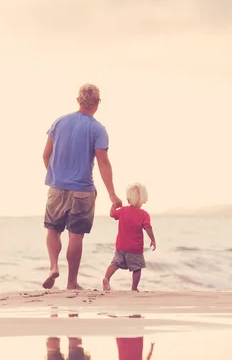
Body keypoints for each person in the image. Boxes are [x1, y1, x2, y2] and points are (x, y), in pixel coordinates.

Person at [42, 83, 122, 290]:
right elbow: (103, 162)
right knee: (75, 235)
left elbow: (46, 154)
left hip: (57, 187)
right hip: (83, 190)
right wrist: (112, 195)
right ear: (97, 104)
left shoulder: (59, 122)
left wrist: (55, 176)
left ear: (78, 100)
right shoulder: (97, 129)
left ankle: (52, 267)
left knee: (53, 229)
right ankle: (72, 283)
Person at [103, 183, 156, 292]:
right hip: (135, 248)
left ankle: (106, 278)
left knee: (115, 263)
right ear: (143, 200)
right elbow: (148, 228)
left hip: (121, 246)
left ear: (128, 199)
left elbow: (112, 214)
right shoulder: (144, 214)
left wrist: (114, 205)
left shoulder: (123, 211)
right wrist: (153, 239)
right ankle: (134, 288)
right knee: (137, 268)